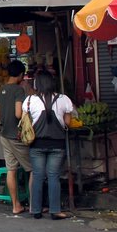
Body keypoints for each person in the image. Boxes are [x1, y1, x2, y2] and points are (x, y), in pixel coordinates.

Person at [26, 72, 74, 220]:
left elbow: (26, 123)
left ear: (37, 84)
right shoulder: (63, 99)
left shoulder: (29, 100)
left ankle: (35, 210)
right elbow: (68, 123)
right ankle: (55, 211)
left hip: (36, 144)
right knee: (53, 177)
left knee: (38, 176)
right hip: (57, 144)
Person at [0, 60, 32, 215]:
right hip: (16, 136)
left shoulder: (0, 89)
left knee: (11, 170)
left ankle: (16, 205)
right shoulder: (18, 90)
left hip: (4, 136)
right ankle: (34, 204)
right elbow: (18, 113)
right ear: (21, 75)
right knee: (33, 169)